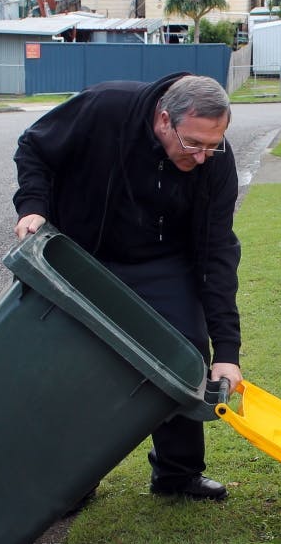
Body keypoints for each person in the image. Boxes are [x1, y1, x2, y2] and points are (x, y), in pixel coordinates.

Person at [13, 72, 242, 501]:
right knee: (73, 365)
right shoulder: (105, 107)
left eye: (215, 144)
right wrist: (32, 206)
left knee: (186, 351)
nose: (202, 157)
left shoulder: (215, 163)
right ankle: (74, 480)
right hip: (85, 253)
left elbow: (217, 253)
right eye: (193, 143)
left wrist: (227, 352)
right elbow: (34, 147)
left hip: (161, 260)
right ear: (163, 120)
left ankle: (177, 475)